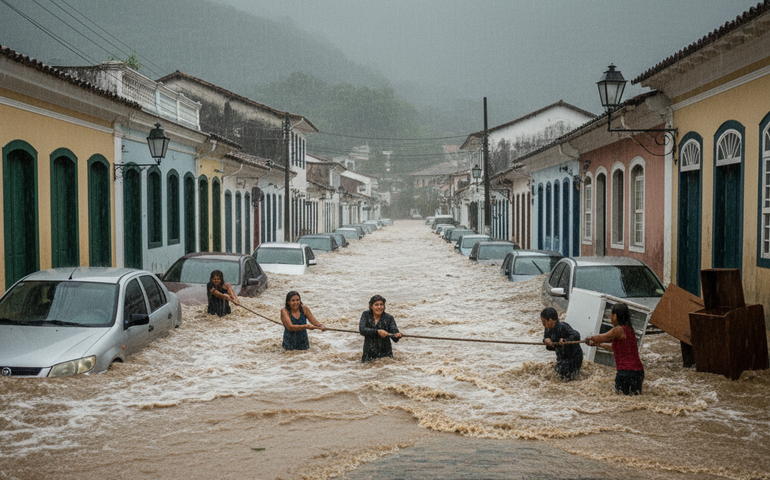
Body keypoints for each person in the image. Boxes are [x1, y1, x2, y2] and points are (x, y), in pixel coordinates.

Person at [586, 303, 644, 395]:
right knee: (634, 399)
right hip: (638, 372)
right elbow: (615, 348)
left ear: (615, 316)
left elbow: (604, 337)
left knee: (622, 399)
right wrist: (599, 345)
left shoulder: (618, 330)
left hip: (625, 373)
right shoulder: (629, 329)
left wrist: (589, 338)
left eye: (611, 316)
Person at [541, 307, 583, 381]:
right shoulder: (547, 329)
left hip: (574, 358)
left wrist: (565, 340)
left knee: (562, 372)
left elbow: (576, 335)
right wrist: (546, 341)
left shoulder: (563, 326)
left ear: (550, 320)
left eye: (543, 321)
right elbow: (549, 346)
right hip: (562, 358)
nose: (543, 324)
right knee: (559, 372)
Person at [359, 294, 402, 362]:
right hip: (368, 355)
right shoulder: (366, 315)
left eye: (381, 304)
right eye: (376, 305)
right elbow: (362, 330)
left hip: (385, 356)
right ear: (371, 306)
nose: (379, 307)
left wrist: (397, 335)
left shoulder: (389, 318)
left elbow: (395, 338)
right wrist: (377, 332)